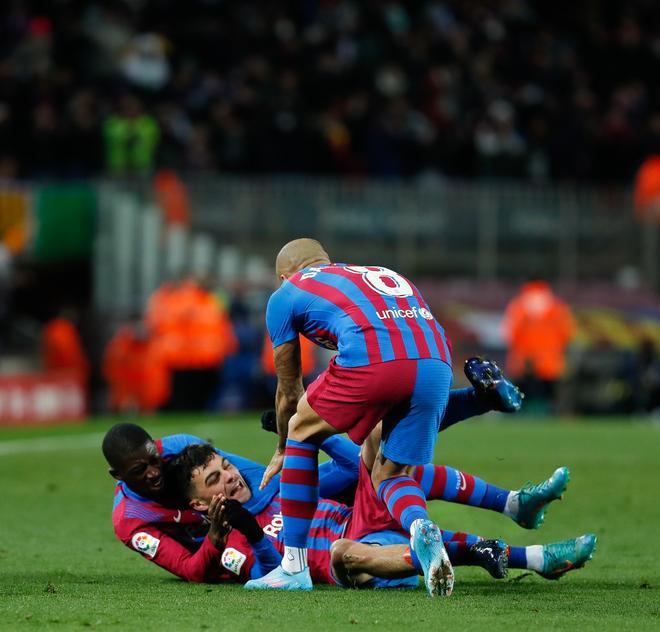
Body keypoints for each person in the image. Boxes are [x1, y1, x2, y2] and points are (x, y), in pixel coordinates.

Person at [102, 358, 525, 584]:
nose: (155, 471)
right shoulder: (132, 521)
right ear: (119, 477)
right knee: (384, 463)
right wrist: (226, 535)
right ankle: (502, 534)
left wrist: (296, 441)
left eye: (155, 459)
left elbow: (246, 477)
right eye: (141, 470)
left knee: (381, 446)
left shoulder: (177, 449)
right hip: (265, 527)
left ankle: (483, 404)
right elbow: (195, 570)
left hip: (284, 499)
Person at [254, 238, 460, 594]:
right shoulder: (377, 271)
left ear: (284, 276)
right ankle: (419, 526)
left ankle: (292, 567)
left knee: (302, 428)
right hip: (438, 363)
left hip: (377, 359)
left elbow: (289, 390)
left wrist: (283, 446)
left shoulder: (286, 294)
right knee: (389, 471)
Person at [169, 435, 594, 590]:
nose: (229, 478)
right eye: (214, 481)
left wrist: (309, 434)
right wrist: (255, 534)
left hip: (366, 519)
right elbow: (267, 579)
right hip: (361, 560)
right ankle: (534, 558)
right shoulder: (230, 542)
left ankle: (513, 503)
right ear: (199, 505)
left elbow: (353, 464)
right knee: (341, 551)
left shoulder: (276, 484)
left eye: (225, 468)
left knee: (386, 458)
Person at [502, 280, 576, 413]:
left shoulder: (518, 306)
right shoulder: (557, 306)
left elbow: (510, 333)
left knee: (522, 400)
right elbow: (567, 333)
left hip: (523, 361)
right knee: (549, 399)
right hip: (550, 362)